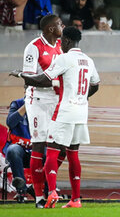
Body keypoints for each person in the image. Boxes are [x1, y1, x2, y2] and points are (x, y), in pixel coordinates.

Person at [10, 26, 100, 208]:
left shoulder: (64, 58)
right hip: (82, 112)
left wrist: (21, 75)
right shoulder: (88, 60)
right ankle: (76, 199)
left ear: (66, 41)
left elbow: (44, 79)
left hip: (65, 110)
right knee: (73, 153)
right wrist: (82, 96)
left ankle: (51, 193)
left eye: (62, 41)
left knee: (51, 150)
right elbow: (96, 84)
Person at [22, 14, 65, 208]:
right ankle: (39, 196)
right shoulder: (34, 47)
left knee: (62, 147)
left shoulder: (60, 46)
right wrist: (56, 81)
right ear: (49, 28)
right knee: (39, 145)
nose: (62, 26)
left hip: (57, 100)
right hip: (38, 100)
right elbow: (29, 78)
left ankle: (45, 183)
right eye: (59, 24)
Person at [4, 98, 32, 203]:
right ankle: (21, 190)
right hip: (20, 151)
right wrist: (26, 106)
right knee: (13, 150)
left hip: (37, 150)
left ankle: (49, 190)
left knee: (50, 152)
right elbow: (10, 123)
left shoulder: (44, 104)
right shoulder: (17, 103)